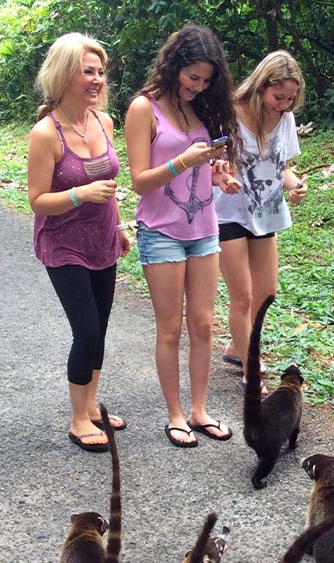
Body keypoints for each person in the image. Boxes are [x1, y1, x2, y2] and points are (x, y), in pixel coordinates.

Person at [123, 24, 243, 448]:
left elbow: (201, 174)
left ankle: (199, 409)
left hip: (203, 229)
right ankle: (175, 414)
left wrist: (219, 177)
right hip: (162, 232)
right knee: (170, 327)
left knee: (204, 324)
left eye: (207, 80)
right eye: (193, 77)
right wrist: (182, 160)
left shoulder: (201, 112)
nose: (198, 86)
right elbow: (140, 181)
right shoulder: (143, 108)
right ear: (174, 66)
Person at [27, 33, 131, 453]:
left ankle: (89, 407)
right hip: (63, 243)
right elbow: (37, 201)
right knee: (85, 329)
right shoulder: (45, 133)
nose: (96, 80)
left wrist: (121, 226)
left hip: (102, 238)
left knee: (100, 328)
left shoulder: (103, 122)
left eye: (100, 72)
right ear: (64, 75)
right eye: (86, 72)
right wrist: (78, 195)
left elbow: (110, 184)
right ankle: (76, 419)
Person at [214, 50, 307, 392]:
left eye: (290, 99)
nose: (283, 104)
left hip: (265, 212)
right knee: (242, 295)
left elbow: (282, 169)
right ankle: (250, 370)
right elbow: (213, 163)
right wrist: (222, 172)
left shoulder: (285, 120)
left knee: (266, 294)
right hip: (228, 211)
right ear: (261, 86)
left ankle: (238, 347)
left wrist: (296, 185)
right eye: (278, 96)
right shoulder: (230, 114)